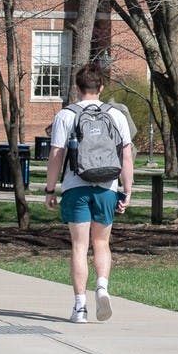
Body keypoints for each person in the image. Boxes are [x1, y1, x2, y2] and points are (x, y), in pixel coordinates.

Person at [44, 64, 135, 324]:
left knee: (80, 246)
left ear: (77, 87)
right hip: (107, 187)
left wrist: (50, 189)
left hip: (76, 187)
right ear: (101, 88)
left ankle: (80, 307)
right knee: (102, 243)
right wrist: (126, 190)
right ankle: (103, 287)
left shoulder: (66, 116)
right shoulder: (116, 115)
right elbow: (126, 155)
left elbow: (56, 155)